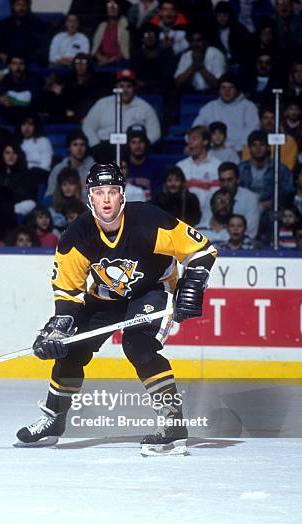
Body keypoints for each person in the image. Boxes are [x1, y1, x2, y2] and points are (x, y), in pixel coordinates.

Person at [15, 162, 217, 455]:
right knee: (71, 348)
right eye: (99, 192)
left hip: (151, 291)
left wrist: (194, 284)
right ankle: (54, 419)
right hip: (105, 298)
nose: (106, 199)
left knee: (139, 346)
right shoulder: (77, 235)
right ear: (90, 197)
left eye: (112, 191)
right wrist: (59, 329)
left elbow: (202, 250)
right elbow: (68, 293)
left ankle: (173, 425)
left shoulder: (149, 220)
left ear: (122, 195)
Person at [82, 69, 161, 161]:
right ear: (116, 87)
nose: (125, 90)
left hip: (131, 151)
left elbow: (155, 132)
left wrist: (139, 147)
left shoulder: (145, 107)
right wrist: (95, 145)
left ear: (134, 88)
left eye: (129, 86)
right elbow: (87, 126)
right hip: (103, 148)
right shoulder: (102, 103)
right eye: (121, 86)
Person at [192, 73, 260, 154]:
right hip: (213, 151)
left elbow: (252, 131)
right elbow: (197, 129)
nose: (227, 91)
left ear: (237, 89)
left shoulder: (248, 107)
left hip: (240, 151)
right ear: (219, 90)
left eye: (231, 87)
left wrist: (234, 149)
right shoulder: (210, 107)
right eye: (223, 87)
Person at [176, 125, 221, 221]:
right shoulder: (181, 166)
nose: (190, 143)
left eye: (194, 139)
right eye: (189, 140)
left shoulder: (217, 166)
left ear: (205, 141)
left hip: (210, 219)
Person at [241, 105, 298, 171]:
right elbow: (246, 164)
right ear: (261, 120)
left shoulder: (289, 141)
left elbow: (289, 167)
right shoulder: (252, 140)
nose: (269, 121)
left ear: (278, 120)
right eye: (266, 118)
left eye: (272, 118)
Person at [0, 0, 47, 65]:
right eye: (18, 5)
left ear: (28, 7)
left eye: (24, 5)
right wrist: (0, 54)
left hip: (29, 61)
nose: (21, 8)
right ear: (12, 6)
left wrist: (27, 59)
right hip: (7, 61)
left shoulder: (36, 24)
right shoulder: (3, 24)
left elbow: (41, 46)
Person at [174, 27, 226, 93]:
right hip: (192, 95)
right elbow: (177, 84)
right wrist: (193, 66)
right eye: (192, 41)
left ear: (205, 41)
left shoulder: (216, 54)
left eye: (199, 40)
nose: (195, 44)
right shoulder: (186, 55)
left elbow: (219, 85)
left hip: (213, 94)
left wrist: (201, 66)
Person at [45, 130, 95, 198]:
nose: (79, 148)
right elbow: (50, 194)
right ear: (69, 148)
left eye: (82, 145)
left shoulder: (94, 170)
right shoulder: (58, 169)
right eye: (75, 145)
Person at [130, 21, 175, 96]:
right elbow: (132, 74)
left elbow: (166, 78)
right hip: (140, 92)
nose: (150, 37)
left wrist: (147, 84)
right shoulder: (136, 55)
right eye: (146, 35)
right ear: (142, 39)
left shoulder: (166, 55)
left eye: (152, 34)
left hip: (160, 93)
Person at [217, 162, 260, 238]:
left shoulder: (251, 198)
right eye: (222, 180)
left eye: (229, 180)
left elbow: (251, 232)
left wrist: (220, 236)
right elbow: (205, 227)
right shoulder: (211, 197)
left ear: (238, 180)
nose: (226, 184)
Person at [0, 54, 38, 126]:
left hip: (29, 119)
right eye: (14, 64)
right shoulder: (4, 80)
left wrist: (12, 102)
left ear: (25, 66)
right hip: (9, 119)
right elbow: (0, 100)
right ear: (9, 65)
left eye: (21, 64)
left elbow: (35, 101)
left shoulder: (33, 80)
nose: (18, 67)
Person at [124, 124, 163, 201]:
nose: (137, 146)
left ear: (146, 143)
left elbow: (158, 197)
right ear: (128, 144)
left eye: (141, 142)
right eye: (133, 142)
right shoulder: (123, 167)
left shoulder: (156, 167)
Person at [92, 0, 130, 66]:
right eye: (109, 5)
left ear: (119, 8)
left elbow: (124, 50)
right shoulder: (102, 25)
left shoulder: (124, 23)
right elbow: (95, 48)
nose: (112, 8)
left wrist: (109, 60)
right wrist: (100, 57)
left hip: (118, 62)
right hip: (101, 61)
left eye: (115, 5)